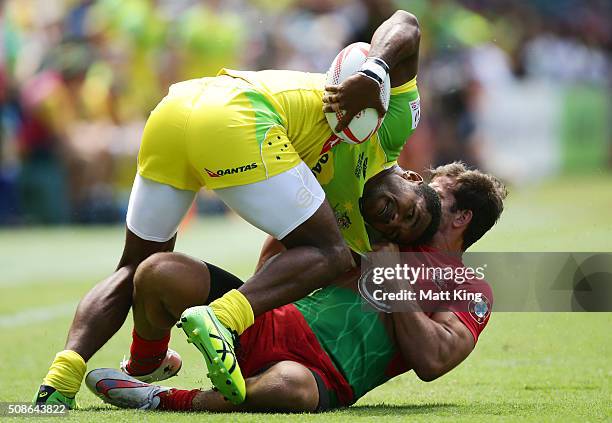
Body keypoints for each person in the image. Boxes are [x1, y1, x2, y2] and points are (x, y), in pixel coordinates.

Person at [34, 10, 422, 406]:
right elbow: (406, 22)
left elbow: (281, 260)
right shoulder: (389, 132)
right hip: (235, 115)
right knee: (330, 252)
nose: (397, 223)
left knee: (134, 266)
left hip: (177, 108)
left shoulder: (358, 224)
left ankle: (70, 377)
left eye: (403, 230)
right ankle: (222, 318)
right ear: (413, 179)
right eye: (413, 213)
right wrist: (375, 73)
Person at [85, 162, 507, 412]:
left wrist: (391, 276)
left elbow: (433, 361)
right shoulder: (383, 224)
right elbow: (284, 249)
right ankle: (150, 360)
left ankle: (164, 399)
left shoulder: (469, 287)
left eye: (436, 193)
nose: (419, 196)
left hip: (320, 375)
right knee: (159, 271)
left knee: (290, 388)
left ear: (461, 218)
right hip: (266, 320)